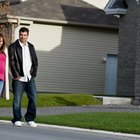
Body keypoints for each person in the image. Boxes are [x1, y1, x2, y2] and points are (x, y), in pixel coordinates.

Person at [8, 27, 38, 127]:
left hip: (30, 78)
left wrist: (33, 73)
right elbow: (11, 62)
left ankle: (30, 118)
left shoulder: (31, 46)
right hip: (19, 79)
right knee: (17, 99)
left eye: (25, 35)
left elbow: (35, 61)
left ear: (27, 36)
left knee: (33, 98)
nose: (23, 37)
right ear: (19, 35)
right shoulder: (13, 46)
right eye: (21, 35)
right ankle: (16, 119)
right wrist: (16, 75)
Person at [0, 34, 9, 100]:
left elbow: (7, 64)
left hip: (1, 78)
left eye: (1, 41)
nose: (0, 43)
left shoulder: (5, 51)